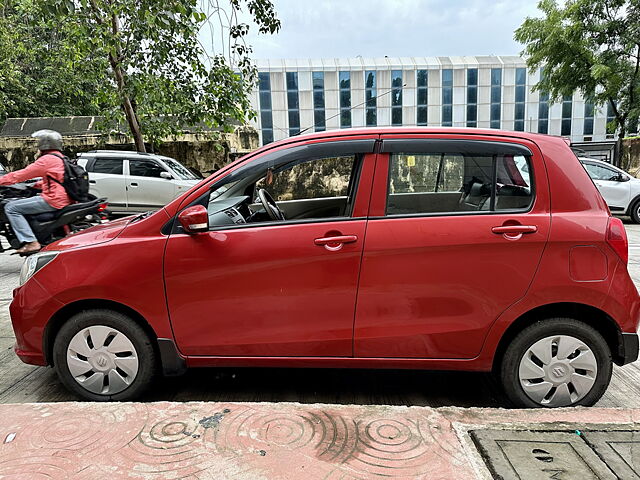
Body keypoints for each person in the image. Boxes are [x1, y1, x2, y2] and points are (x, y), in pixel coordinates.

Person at [0, 130, 71, 254]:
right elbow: (55, 179)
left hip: (53, 199)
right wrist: (34, 185)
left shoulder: (46, 159)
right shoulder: (60, 157)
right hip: (64, 197)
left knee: (11, 207)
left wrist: (2, 180)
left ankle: (31, 242)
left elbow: (20, 175)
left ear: (44, 144)